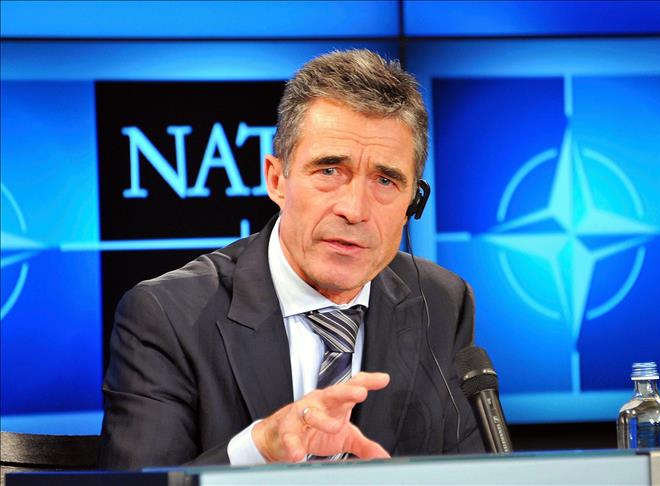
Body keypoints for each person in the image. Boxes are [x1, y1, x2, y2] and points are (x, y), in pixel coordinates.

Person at [98, 49, 483, 469]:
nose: (355, 210)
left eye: (386, 180)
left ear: (412, 203)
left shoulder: (442, 301)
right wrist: (259, 449)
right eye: (329, 171)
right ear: (277, 180)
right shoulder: (168, 316)